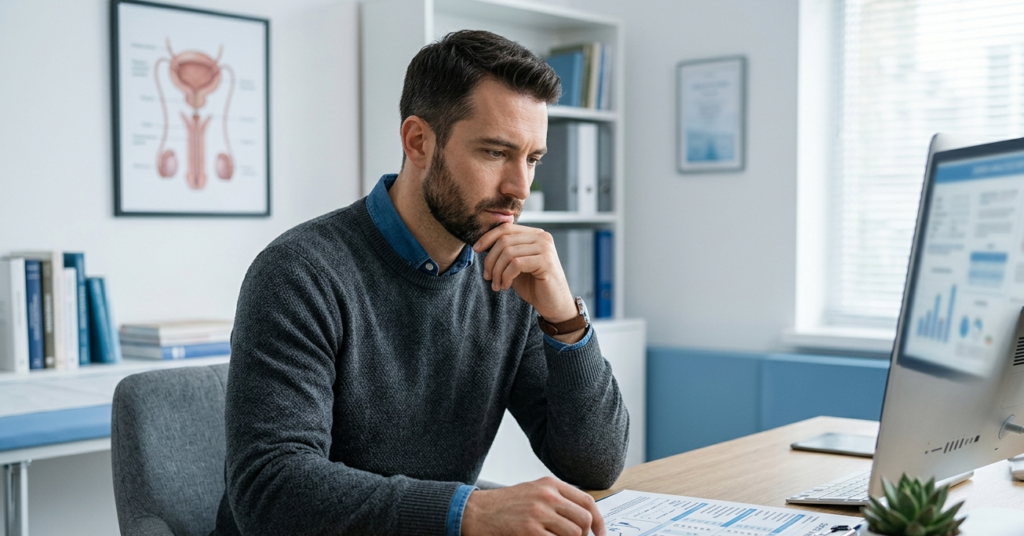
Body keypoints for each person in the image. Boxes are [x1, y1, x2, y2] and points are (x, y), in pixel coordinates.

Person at [212, 29, 629, 536]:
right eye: (496, 153)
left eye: (532, 159)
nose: (521, 188)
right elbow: (270, 491)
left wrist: (564, 319)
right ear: (419, 142)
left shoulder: (509, 279)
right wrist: (469, 512)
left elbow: (594, 465)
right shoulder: (299, 273)